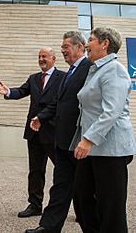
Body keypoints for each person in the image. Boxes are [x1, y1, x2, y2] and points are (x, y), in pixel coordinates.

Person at [70, 27, 136, 233]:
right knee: (82, 200)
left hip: (110, 149)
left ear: (104, 43)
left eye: (90, 40)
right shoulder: (96, 69)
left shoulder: (114, 69)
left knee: (110, 209)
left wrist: (88, 139)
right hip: (92, 149)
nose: (86, 44)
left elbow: (112, 111)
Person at [27, 31, 93, 233]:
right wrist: (41, 117)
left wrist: (88, 138)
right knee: (61, 186)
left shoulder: (89, 68)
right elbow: (58, 103)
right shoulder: (70, 72)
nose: (63, 50)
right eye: (62, 47)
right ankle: (48, 227)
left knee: (84, 190)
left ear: (79, 47)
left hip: (79, 142)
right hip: (63, 141)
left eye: (66, 47)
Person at [0, 47, 65, 218]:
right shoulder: (34, 78)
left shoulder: (63, 77)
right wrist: (9, 92)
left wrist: (42, 117)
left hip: (53, 131)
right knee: (35, 171)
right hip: (34, 132)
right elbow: (22, 91)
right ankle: (35, 205)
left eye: (45, 56)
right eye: (39, 56)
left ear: (54, 58)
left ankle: (80, 208)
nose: (41, 59)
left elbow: (58, 102)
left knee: (65, 171)